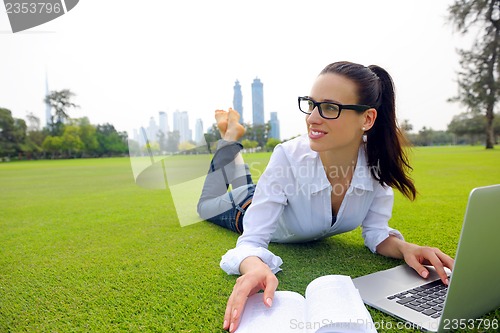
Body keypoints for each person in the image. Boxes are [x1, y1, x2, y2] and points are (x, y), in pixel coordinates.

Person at [197, 61, 455, 333]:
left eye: (330, 108)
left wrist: (406, 248)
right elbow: (251, 240)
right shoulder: (288, 155)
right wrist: (252, 267)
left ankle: (235, 152)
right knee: (204, 206)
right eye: (312, 104)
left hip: (266, 191)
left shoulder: (375, 163)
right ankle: (229, 140)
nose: (312, 118)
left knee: (249, 184)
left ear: (367, 119)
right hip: (245, 208)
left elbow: (377, 233)